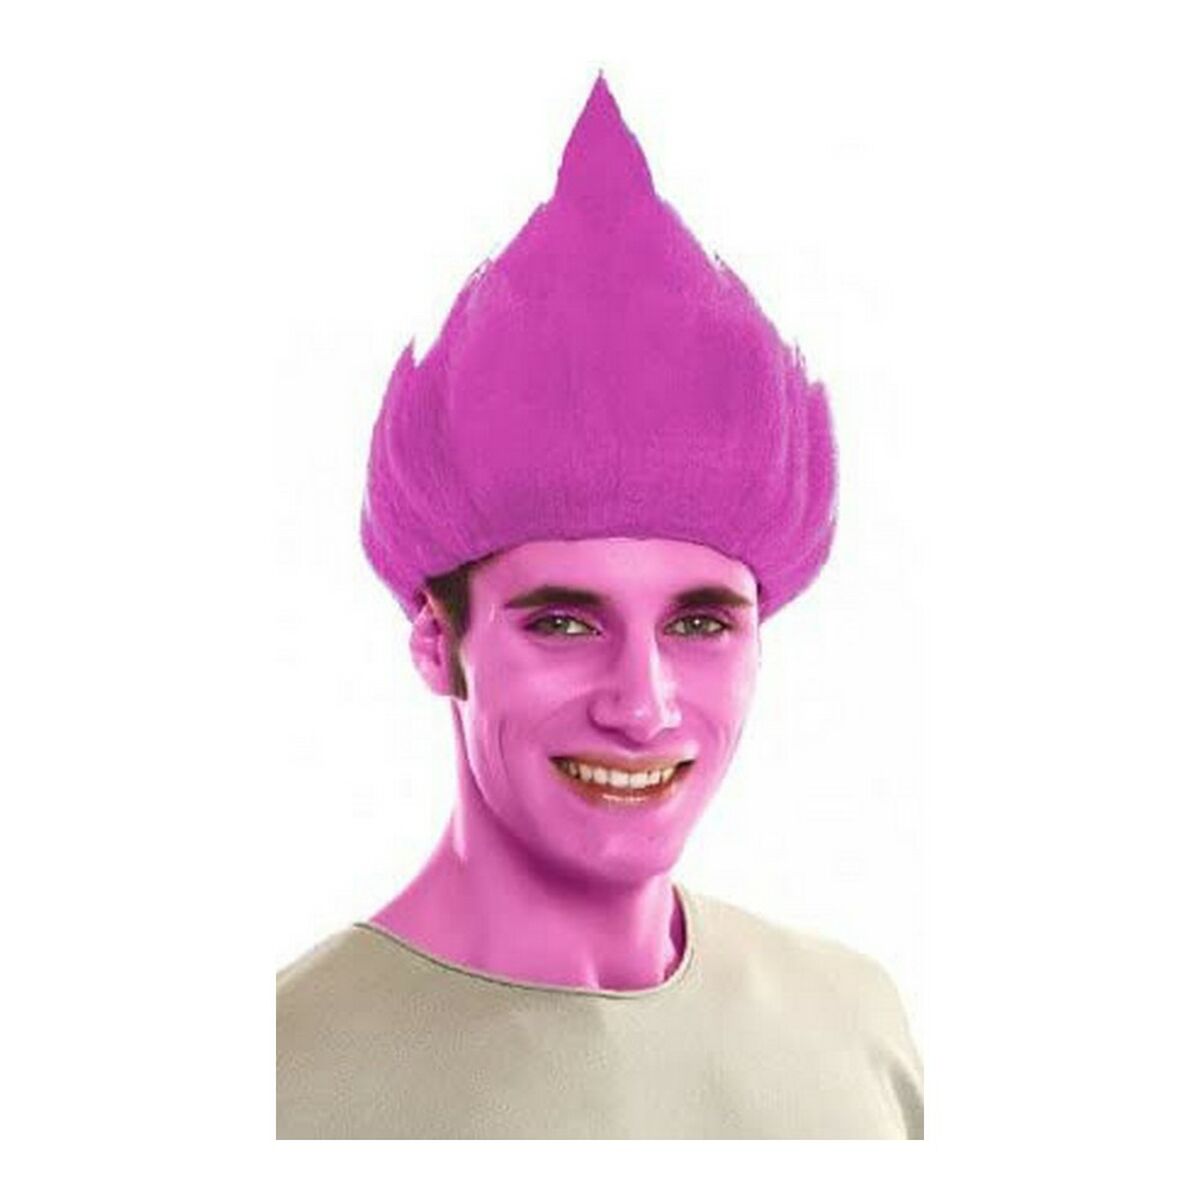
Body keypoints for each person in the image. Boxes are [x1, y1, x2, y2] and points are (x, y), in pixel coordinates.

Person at [276, 73, 924, 1140]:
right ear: (437, 642)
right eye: (564, 624)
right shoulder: (281, 1080)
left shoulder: (859, 1026)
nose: (643, 704)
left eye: (701, 623)